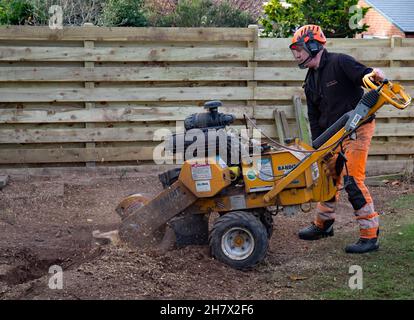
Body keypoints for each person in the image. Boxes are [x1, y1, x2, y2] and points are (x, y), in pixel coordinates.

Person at [289, 24, 386, 253]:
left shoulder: (340, 62)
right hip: (333, 136)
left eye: (299, 49)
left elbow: (366, 76)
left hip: (357, 129)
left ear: (313, 45)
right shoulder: (310, 80)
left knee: (352, 179)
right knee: (329, 177)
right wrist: (318, 144)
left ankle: (370, 235)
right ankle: (324, 224)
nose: (296, 54)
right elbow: (314, 116)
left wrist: (376, 75)